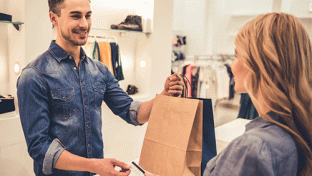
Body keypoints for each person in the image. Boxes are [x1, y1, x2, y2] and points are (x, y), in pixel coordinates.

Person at [16, 0, 183, 176]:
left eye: (88, 16)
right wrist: (94, 165)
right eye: (75, 16)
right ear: (53, 18)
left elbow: (132, 112)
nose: (84, 24)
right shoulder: (34, 75)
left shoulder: (100, 70)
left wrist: (165, 95)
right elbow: (40, 147)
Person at [202, 13, 312, 176]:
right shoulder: (298, 131)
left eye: (237, 55)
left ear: (259, 64)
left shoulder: (252, 149)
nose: (232, 65)